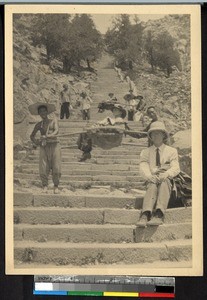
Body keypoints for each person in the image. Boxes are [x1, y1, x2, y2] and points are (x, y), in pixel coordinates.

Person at [136, 121, 180, 227]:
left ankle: (159, 214)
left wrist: (167, 174)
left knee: (164, 182)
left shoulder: (171, 151)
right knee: (151, 184)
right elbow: (143, 166)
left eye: (159, 133)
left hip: (166, 179)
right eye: (153, 133)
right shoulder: (145, 152)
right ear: (150, 136)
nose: (156, 135)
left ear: (164, 135)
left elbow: (176, 167)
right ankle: (145, 214)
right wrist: (149, 176)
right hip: (153, 178)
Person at [29, 102, 61, 194]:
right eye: (41, 111)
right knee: (43, 167)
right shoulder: (39, 125)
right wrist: (37, 142)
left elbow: (56, 131)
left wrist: (48, 136)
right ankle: (45, 185)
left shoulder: (54, 120)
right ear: (39, 113)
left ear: (47, 112)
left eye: (44, 111)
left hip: (55, 145)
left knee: (56, 166)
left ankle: (56, 186)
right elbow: (32, 136)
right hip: (44, 146)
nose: (43, 113)